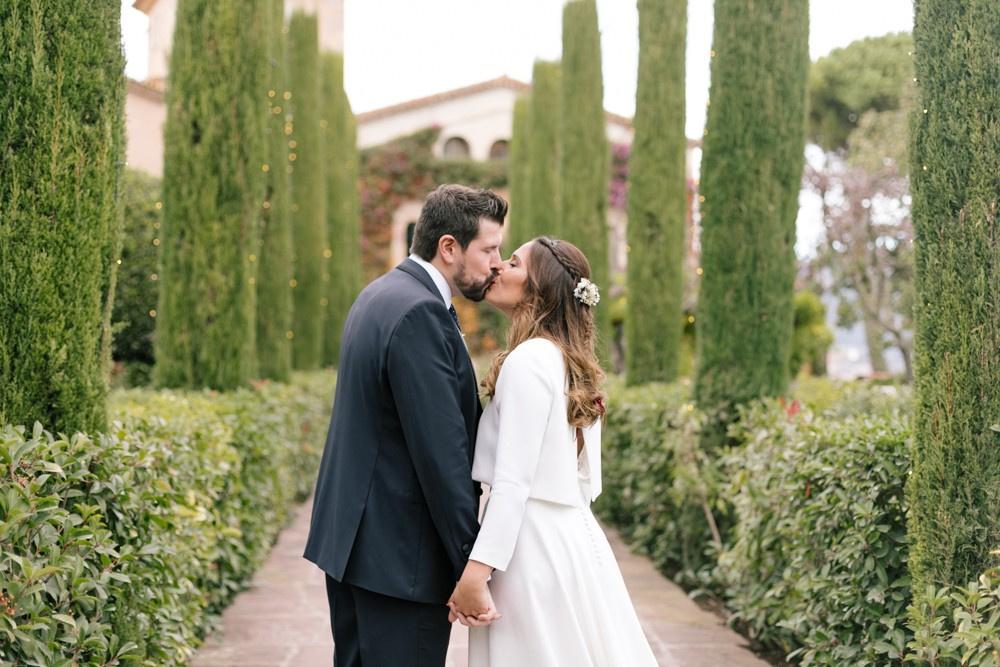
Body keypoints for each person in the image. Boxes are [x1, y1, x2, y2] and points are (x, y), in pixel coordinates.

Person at [303, 184, 506, 666]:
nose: (496, 262)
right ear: (449, 247)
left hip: (356, 550)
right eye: (489, 249)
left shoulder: (380, 294)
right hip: (400, 561)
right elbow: (442, 456)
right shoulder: (420, 312)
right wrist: (468, 568)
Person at [449, 236, 658, 666]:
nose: (498, 268)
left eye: (513, 263)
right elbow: (586, 482)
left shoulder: (528, 361)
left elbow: (513, 481)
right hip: (572, 537)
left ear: (540, 287)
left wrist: (477, 570)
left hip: (531, 550)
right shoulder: (564, 359)